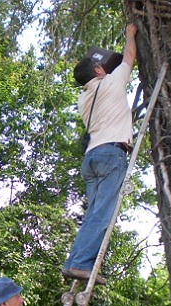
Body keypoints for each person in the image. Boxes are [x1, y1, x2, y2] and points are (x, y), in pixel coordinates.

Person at [62, 23, 138, 286]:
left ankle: (74, 263)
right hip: (110, 156)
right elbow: (129, 57)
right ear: (98, 70)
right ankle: (81, 264)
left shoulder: (83, 99)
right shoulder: (111, 82)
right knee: (101, 215)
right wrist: (130, 34)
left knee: (94, 213)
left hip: (92, 159)